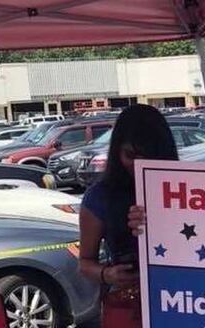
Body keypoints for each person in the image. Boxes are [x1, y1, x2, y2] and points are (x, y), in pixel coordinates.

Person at [78, 104, 178, 324]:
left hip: (182, 301)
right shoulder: (99, 197)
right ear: (116, 152)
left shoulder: (185, 190)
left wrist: (165, 221)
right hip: (127, 307)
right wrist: (107, 274)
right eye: (130, 155)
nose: (138, 164)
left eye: (148, 156)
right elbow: (84, 262)